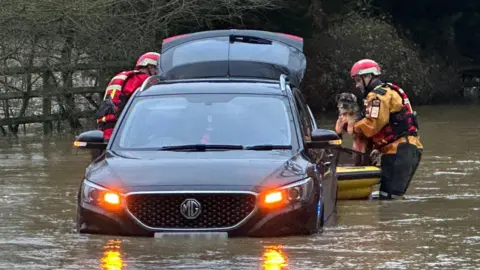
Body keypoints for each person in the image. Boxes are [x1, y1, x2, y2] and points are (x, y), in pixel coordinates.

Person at [340, 59, 423, 200]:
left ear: (368, 77)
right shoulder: (388, 91)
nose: (357, 85)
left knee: (389, 200)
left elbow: (373, 124)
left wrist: (352, 127)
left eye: (358, 80)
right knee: (389, 197)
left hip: (399, 151)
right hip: (406, 148)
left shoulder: (377, 96)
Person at [91, 52, 160, 161]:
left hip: (104, 132)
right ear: (150, 67)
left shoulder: (124, 77)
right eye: (156, 69)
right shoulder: (143, 81)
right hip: (123, 136)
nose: (157, 73)